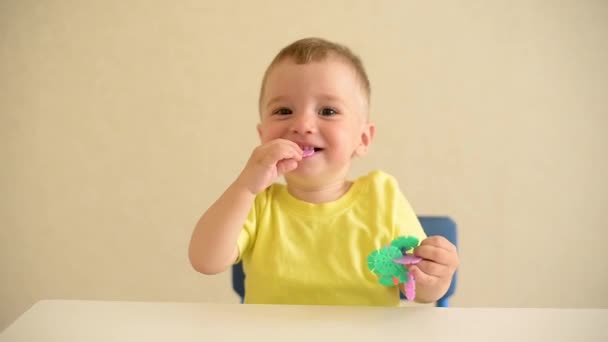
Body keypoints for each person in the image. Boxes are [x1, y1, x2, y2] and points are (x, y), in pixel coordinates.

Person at [188, 37, 459, 306]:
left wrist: (435, 277)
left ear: (363, 139)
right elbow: (205, 261)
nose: (303, 124)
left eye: (328, 110)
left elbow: (420, 288)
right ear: (263, 137)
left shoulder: (382, 196)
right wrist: (245, 186)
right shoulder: (257, 202)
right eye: (283, 111)